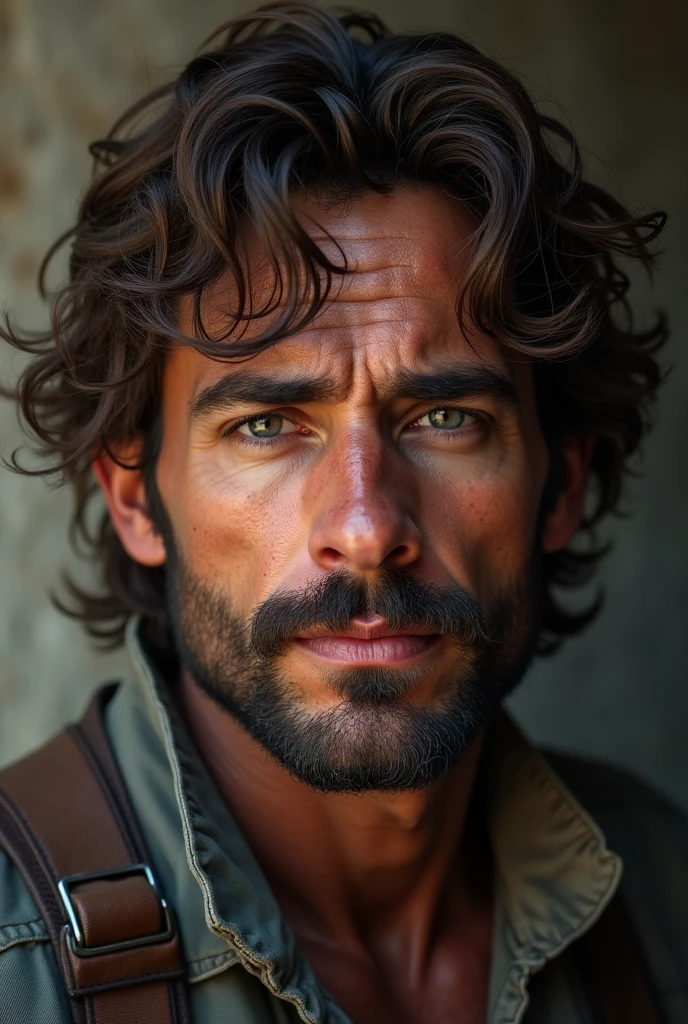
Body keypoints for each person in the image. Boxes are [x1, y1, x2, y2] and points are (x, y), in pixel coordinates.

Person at [0, 2, 686, 1021]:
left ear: (563, 486)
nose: (365, 527)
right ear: (136, 498)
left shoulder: (665, 897)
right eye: (270, 426)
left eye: (446, 415)